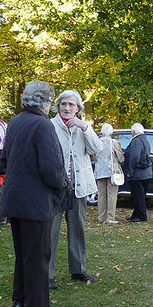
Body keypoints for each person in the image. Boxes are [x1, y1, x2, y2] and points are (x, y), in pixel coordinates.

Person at [0, 80, 68, 307]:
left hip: (15, 198)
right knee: (38, 255)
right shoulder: (42, 125)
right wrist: (63, 183)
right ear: (45, 102)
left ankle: (19, 300)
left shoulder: (16, 121)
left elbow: (5, 158)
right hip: (35, 201)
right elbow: (50, 167)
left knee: (23, 254)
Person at [49, 89, 102, 287]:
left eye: (72, 105)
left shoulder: (83, 127)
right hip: (55, 187)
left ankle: (78, 270)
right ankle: (47, 274)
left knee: (78, 229)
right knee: (50, 232)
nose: (67, 108)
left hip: (78, 187)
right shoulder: (50, 125)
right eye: (64, 104)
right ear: (58, 106)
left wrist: (85, 128)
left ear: (78, 108)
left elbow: (97, 150)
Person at [94, 123, 124, 224]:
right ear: (111, 132)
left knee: (101, 195)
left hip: (99, 170)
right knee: (112, 195)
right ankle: (110, 217)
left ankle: (101, 217)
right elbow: (120, 157)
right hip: (112, 171)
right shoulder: (114, 142)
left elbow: (93, 156)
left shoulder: (97, 141)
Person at [123, 123, 153, 222]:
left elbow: (134, 156)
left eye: (131, 131)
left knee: (137, 196)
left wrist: (130, 171)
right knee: (141, 195)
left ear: (134, 131)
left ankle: (141, 216)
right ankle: (136, 214)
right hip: (146, 173)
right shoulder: (145, 139)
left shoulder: (136, 141)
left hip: (138, 174)